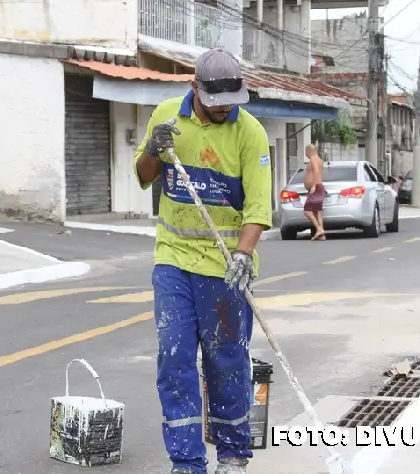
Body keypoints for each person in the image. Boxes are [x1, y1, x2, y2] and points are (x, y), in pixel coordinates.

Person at [132, 47, 272, 474]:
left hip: (226, 270)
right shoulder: (167, 118)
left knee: (226, 362)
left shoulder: (251, 133)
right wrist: (154, 150)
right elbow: (143, 175)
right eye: (216, 101)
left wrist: (245, 254)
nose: (224, 108)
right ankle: (187, 462)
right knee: (174, 360)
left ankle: (232, 456)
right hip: (173, 260)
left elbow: (259, 210)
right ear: (195, 87)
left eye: (231, 100)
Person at [303, 144, 326, 240]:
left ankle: (319, 229)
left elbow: (316, 172)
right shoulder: (319, 160)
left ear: (309, 151)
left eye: (306, 152)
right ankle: (322, 235)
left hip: (316, 188)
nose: (306, 154)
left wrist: (313, 186)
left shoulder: (313, 159)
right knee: (317, 212)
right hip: (319, 187)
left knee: (307, 211)